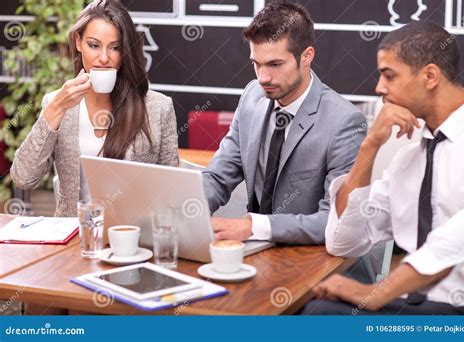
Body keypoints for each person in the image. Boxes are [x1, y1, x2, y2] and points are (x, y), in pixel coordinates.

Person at [303, 21, 464, 315]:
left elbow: (458, 237)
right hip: (413, 309)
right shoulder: (407, 159)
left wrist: (376, 292)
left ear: (430, 76)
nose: (379, 88)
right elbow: (343, 242)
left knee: (320, 317)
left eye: (389, 76)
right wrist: (369, 146)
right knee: (314, 311)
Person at [202, 1, 366, 244]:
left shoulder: (344, 122)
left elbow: (334, 220)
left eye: (275, 64)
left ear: (307, 56)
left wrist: (252, 227)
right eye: (256, 64)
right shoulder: (252, 96)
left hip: (311, 259)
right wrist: (186, 212)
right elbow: (218, 176)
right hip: (255, 252)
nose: (263, 78)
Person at [11, 0, 179, 217]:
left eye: (115, 47)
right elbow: (23, 177)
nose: (104, 58)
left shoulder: (158, 108)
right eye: (94, 45)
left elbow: (173, 191)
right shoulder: (56, 103)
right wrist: (55, 109)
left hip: (134, 239)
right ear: (78, 42)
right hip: (75, 239)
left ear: (125, 51)